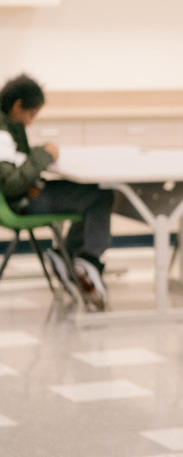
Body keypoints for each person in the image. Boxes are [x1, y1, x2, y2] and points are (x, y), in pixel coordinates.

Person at [0, 73, 111, 309]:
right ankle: (88, 259)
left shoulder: (8, 125)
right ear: (18, 105)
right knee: (100, 195)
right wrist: (44, 155)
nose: (30, 122)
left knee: (89, 191)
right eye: (30, 115)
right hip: (22, 202)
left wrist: (38, 153)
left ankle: (66, 254)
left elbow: (14, 163)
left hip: (23, 197)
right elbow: (10, 184)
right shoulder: (2, 133)